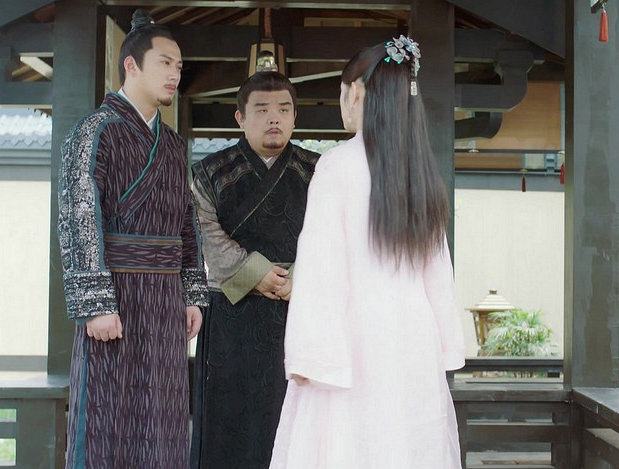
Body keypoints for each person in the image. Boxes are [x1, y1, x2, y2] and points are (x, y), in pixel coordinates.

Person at [270, 35, 466, 468]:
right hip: (415, 339)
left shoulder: (337, 165)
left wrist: (307, 353)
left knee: (350, 446)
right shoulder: (422, 172)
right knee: (409, 446)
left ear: (355, 92)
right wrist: (446, 344)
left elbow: (322, 270)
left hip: (354, 338)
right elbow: (438, 273)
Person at [57, 9, 207, 469]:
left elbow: (186, 221)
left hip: (164, 300)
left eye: (179, 66)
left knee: (163, 419)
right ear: (131, 65)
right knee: (107, 417)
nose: (174, 74)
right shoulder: (94, 131)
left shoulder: (174, 145)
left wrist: (192, 294)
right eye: (165, 63)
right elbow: (79, 215)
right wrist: (96, 304)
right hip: (115, 296)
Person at [189, 71, 320, 469]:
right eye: (261, 110)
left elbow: (333, 234)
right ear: (240, 118)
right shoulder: (209, 171)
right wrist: (254, 273)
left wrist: (303, 277)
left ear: (295, 117)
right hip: (230, 317)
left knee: (296, 422)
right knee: (227, 424)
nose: (273, 118)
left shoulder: (319, 171)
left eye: (283, 109)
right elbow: (204, 231)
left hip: (300, 309)